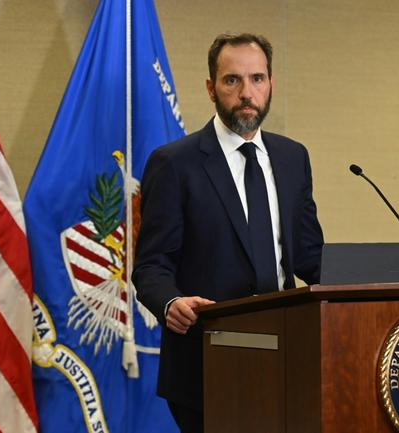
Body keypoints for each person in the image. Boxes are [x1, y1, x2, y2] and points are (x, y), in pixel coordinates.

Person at [132, 33, 324, 433]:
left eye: (257, 79)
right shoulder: (174, 163)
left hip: (286, 354)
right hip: (206, 361)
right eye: (232, 80)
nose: (246, 93)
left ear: (271, 84)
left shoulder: (293, 158)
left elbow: (309, 256)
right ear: (210, 88)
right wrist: (170, 302)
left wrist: (360, 288)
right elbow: (151, 266)